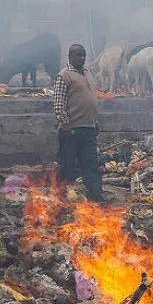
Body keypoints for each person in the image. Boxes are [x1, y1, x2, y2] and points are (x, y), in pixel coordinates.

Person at [53, 44, 103, 203]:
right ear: (70, 57)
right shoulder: (64, 75)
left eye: (83, 55)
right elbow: (59, 103)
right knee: (67, 165)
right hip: (71, 129)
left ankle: (95, 196)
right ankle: (61, 197)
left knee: (91, 165)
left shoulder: (87, 73)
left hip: (89, 128)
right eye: (78, 55)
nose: (81, 58)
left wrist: (95, 121)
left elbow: (91, 100)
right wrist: (65, 124)